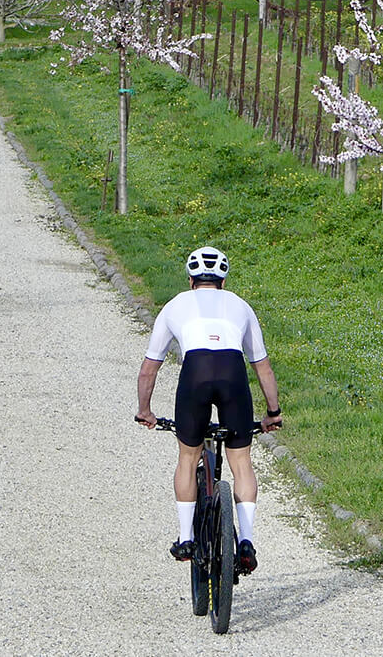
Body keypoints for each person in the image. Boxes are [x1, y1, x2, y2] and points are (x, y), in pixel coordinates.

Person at [134, 246, 281, 575]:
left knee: (188, 456)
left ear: (190, 280)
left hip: (195, 374)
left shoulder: (175, 305)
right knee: (241, 461)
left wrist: (145, 410)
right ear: (223, 281)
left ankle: (186, 539)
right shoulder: (241, 306)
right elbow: (263, 368)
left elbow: (148, 370)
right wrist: (273, 412)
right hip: (233, 374)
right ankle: (246, 542)